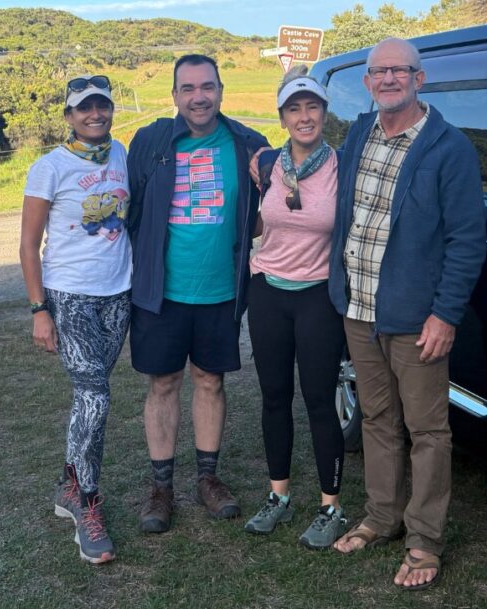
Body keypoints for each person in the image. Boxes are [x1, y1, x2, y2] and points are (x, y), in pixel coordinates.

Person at [328, 38, 486, 590]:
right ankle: (381, 516)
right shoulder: (358, 136)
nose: (389, 79)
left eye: (400, 70)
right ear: (368, 82)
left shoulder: (449, 148)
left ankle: (424, 540)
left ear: (420, 79)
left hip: (417, 318)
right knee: (376, 420)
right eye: (379, 71)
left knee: (427, 430)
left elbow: (467, 241)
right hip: (359, 307)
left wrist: (445, 314)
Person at [126, 54, 270, 533]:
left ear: (221, 91)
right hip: (161, 291)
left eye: (207, 86)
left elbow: (274, 211)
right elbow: (131, 212)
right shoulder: (149, 142)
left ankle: (208, 479)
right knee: (163, 383)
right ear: (174, 96)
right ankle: (161, 488)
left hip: (221, 290)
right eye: (187, 88)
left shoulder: (249, 144)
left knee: (211, 381)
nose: (198, 96)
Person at [19, 75, 131, 564]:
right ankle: (88, 505)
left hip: (117, 294)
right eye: (84, 108)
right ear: (68, 116)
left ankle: (68, 485)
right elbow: (27, 245)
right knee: (95, 397)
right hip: (70, 297)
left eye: (102, 106)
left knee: (90, 398)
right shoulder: (49, 168)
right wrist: (39, 309)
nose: (94, 115)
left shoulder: (121, 153)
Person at [244, 66, 347, 549]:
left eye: (312, 107)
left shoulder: (341, 167)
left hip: (318, 296)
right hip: (267, 291)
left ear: (325, 112)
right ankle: (278, 495)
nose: (304, 117)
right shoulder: (266, 165)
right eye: (294, 108)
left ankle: (331, 506)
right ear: (282, 116)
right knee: (273, 395)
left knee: (320, 401)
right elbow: (257, 224)